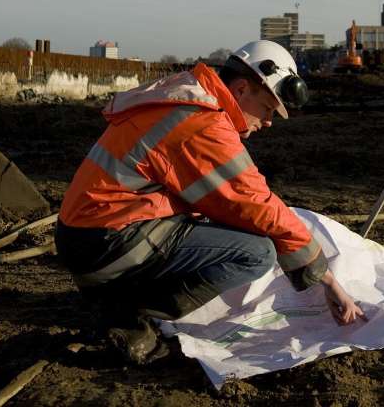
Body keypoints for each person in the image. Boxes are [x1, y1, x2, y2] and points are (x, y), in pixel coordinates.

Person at [55, 40, 365, 364]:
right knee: (257, 253)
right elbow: (258, 205)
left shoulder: (187, 99)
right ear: (243, 89)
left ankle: (120, 296)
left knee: (222, 225)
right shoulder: (204, 124)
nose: (269, 121)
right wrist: (327, 279)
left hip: (92, 234)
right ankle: (125, 313)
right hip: (106, 243)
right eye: (269, 108)